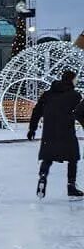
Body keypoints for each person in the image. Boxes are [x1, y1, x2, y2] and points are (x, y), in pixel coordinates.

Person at [27, 70, 84, 200]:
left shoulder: (48, 94)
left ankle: (42, 177)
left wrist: (32, 129)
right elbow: (80, 112)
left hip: (49, 131)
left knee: (48, 157)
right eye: (76, 79)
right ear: (71, 79)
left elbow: (37, 111)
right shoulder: (75, 96)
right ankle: (71, 187)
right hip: (66, 131)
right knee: (72, 158)